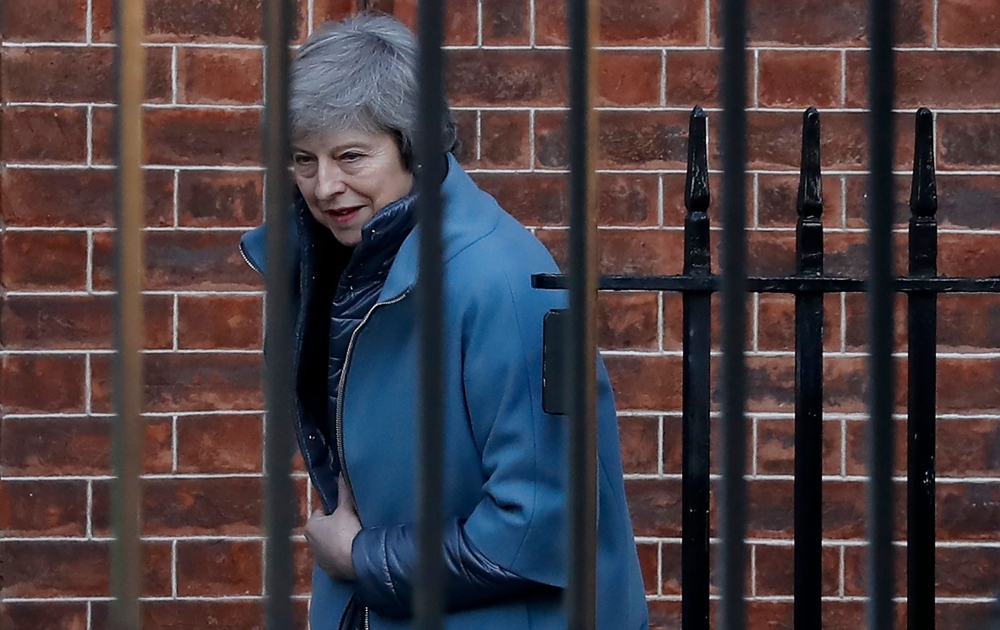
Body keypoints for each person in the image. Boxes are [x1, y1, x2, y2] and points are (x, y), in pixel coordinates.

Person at [239, 13, 649, 630]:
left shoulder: (507, 283)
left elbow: (540, 526)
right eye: (303, 159)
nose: (325, 186)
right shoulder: (335, 263)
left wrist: (358, 556)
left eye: (352, 155)